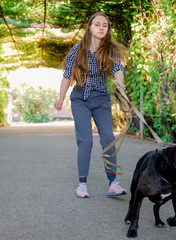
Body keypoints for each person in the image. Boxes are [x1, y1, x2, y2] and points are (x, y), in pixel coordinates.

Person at [55, 12, 127, 198]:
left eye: (105, 25)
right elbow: (67, 75)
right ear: (90, 27)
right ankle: (82, 184)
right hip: (80, 98)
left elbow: (118, 69)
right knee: (85, 140)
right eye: (97, 24)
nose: (102, 27)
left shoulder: (111, 50)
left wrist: (120, 83)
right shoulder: (77, 49)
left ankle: (113, 183)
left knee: (108, 138)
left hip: (102, 98)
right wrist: (61, 98)